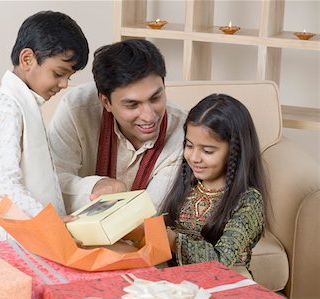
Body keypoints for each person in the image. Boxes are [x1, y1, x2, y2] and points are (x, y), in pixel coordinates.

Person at [0, 11, 89, 241]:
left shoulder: (25, 105)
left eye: (68, 77)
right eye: (59, 73)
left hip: (16, 235)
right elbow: (5, 183)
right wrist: (47, 219)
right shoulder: (8, 110)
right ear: (27, 59)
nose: (63, 84)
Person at [48, 39, 187, 213]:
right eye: (132, 105)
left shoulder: (184, 131)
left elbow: (152, 211)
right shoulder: (77, 108)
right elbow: (51, 182)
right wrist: (95, 187)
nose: (149, 116)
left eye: (155, 98)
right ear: (106, 102)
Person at [160, 93, 269, 277]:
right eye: (189, 145)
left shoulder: (249, 201)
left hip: (224, 283)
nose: (194, 158)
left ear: (235, 151)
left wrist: (172, 240)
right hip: (180, 280)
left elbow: (222, 262)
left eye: (207, 150)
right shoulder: (189, 184)